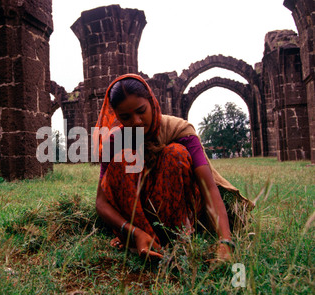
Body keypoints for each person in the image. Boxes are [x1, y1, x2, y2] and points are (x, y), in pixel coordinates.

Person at [94, 74, 253, 262]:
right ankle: (142, 238)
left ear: (152, 102)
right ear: (117, 116)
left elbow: (208, 187)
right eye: (125, 117)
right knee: (123, 160)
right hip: (138, 217)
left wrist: (225, 241)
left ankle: (179, 237)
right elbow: (102, 201)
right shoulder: (115, 140)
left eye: (141, 111)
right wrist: (132, 232)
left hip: (179, 209)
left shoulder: (179, 130)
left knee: (175, 154)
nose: (136, 121)